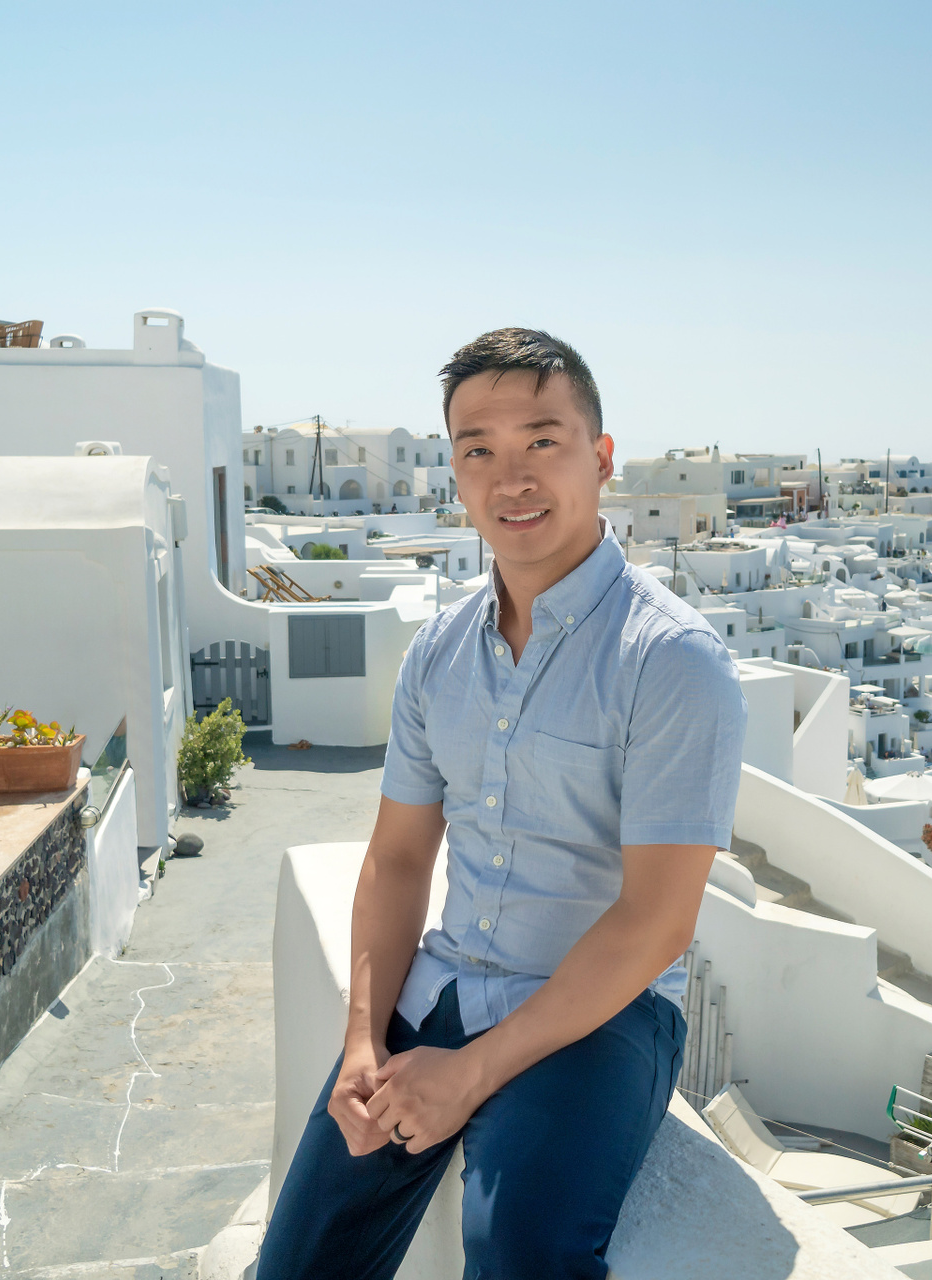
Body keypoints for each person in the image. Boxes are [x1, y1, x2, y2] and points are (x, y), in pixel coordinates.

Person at [256, 328, 746, 1279]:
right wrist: (361, 1042)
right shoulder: (438, 653)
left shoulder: (671, 661)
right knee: (299, 1260)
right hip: (441, 989)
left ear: (601, 458)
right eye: (478, 449)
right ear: (456, 472)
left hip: (604, 1015)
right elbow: (399, 858)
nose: (510, 477)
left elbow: (657, 920)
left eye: (542, 441)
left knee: (523, 1251)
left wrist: (469, 1075)